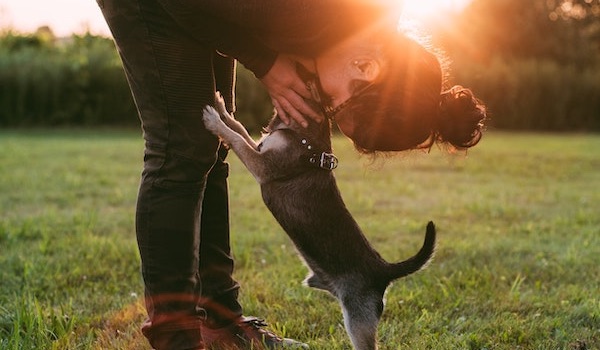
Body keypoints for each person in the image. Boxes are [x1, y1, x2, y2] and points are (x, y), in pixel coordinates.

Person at [96, 1, 486, 349]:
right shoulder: (311, 10)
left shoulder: (355, 23)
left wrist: (266, 58)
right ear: (366, 67)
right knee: (182, 149)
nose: (322, 109)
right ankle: (176, 335)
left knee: (209, 147)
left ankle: (219, 318)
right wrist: (264, 62)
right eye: (334, 105)